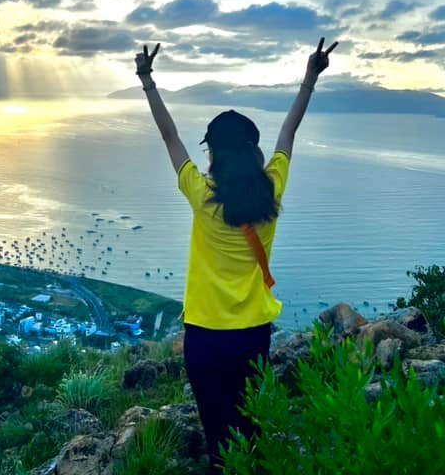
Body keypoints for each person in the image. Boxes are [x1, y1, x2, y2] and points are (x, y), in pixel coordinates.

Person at [135, 37, 338, 473]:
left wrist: (147, 79)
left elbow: (169, 136)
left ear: (212, 154)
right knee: (250, 430)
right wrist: (310, 77)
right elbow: (289, 132)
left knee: (217, 435)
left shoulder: (200, 194)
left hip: (205, 337)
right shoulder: (272, 188)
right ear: (253, 150)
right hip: (251, 335)